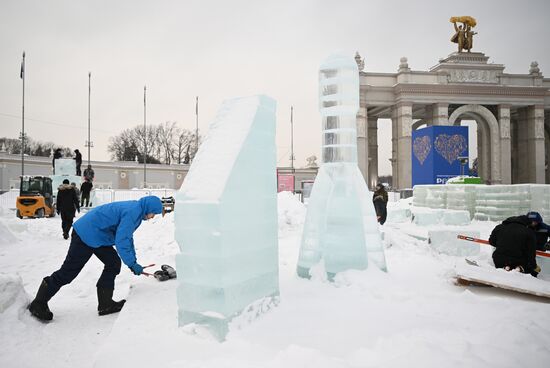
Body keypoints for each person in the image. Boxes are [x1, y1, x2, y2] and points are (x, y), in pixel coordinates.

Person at [28, 196, 164, 322]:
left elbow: (127, 237)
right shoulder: (133, 212)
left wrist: (133, 262)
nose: (152, 217)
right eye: (154, 213)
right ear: (149, 208)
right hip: (85, 234)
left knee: (113, 263)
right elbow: (122, 240)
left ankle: (106, 304)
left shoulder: (136, 210)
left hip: (98, 235)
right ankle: (38, 303)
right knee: (68, 272)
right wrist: (132, 264)